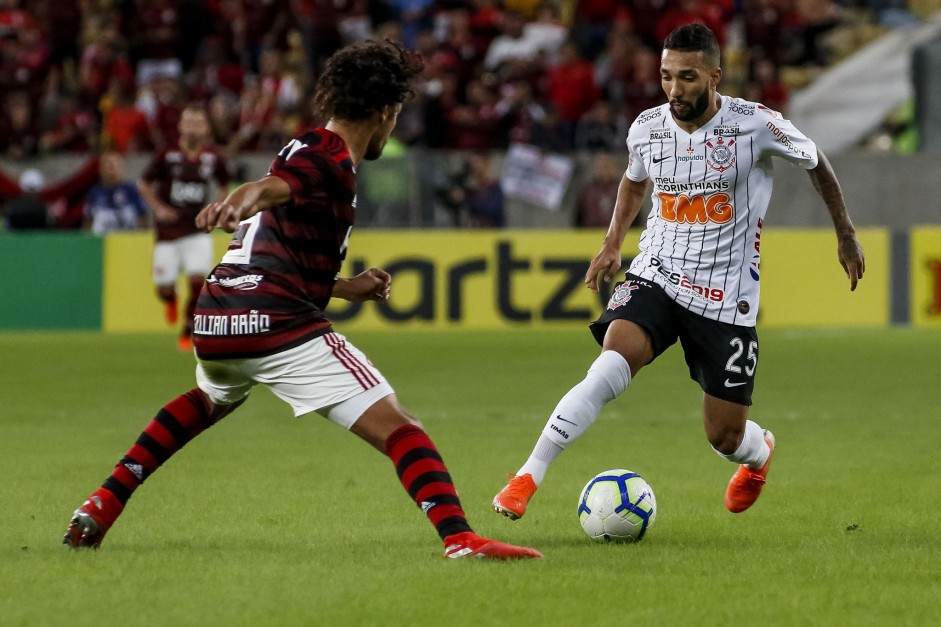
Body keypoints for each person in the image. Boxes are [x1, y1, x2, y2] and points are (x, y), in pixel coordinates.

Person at [63, 39, 542, 561]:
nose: (395, 126)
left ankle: (103, 502)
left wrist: (346, 286)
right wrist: (240, 198)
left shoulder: (304, 144)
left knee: (209, 399)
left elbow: (278, 236)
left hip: (218, 312)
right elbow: (271, 189)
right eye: (396, 115)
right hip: (271, 318)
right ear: (385, 111)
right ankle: (460, 538)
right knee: (402, 428)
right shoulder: (329, 156)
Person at [493, 24, 865, 521]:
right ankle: (527, 476)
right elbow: (632, 184)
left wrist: (844, 232)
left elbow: (816, 161)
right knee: (612, 361)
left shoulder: (755, 125)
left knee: (725, 437)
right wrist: (611, 243)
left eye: (687, 78)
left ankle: (760, 454)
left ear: (715, 75)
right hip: (658, 272)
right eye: (666, 77)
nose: (674, 90)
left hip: (725, 297)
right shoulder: (646, 127)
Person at [137, 103, 231, 351]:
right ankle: (171, 299)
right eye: (188, 122)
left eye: (198, 123)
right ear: (180, 126)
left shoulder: (212, 157)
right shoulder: (167, 155)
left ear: (206, 128)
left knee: (198, 279)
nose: (193, 128)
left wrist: (217, 206)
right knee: (164, 288)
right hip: (168, 231)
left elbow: (224, 183)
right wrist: (159, 208)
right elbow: (143, 184)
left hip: (197, 229)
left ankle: (187, 329)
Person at [83, 151, 149, 234]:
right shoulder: (94, 192)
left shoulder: (132, 190)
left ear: (122, 167)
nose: (112, 167)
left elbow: (143, 218)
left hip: (128, 241)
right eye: (108, 164)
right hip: (102, 242)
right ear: (101, 169)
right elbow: (88, 221)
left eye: (115, 164)